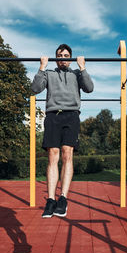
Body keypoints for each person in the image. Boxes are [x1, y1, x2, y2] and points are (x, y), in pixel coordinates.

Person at [31, 44, 94, 218]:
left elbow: (89, 88)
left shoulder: (76, 74)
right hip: (53, 116)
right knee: (53, 155)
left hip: (71, 116)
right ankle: (50, 200)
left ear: (70, 58)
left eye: (66, 56)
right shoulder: (49, 74)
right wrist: (42, 67)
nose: (63, 58)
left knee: (67, 154)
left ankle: (63, 198)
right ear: (56, 57)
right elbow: (35, 89)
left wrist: (83, 67)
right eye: (60, 55)